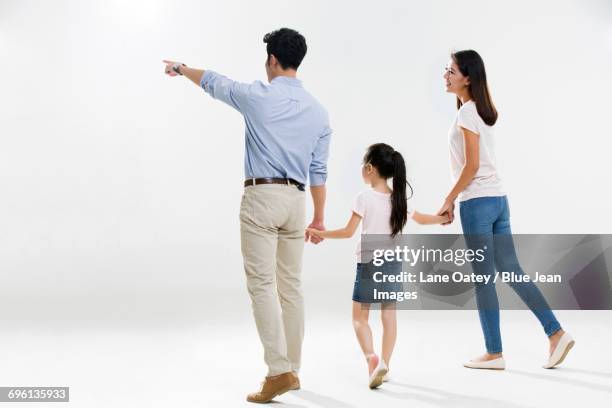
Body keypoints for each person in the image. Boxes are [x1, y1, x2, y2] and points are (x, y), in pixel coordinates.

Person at [164, 28, 332, 403]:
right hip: (297, 200)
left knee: (262, 287)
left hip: (262, 195)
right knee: (292, 288)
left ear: (272, 59)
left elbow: (214, 83)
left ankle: (278, 371)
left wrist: (180, 67)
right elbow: (319, 172)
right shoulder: (319, 112)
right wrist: (319, 219)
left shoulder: (258, 96)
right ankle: (293, 369)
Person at [437, 49, 574, 370]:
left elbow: (470, 167)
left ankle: (494, 353)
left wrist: (448, 199)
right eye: (446, 70)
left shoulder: (466, 115)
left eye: (451, 71)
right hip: (499, 201)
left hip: (477, 204)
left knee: (484, 280)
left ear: (468, 78)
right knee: (512, 271)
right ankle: (556, 333)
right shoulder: (479, 113)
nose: (445, 75)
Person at [307, 143, 448, 388]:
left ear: (370, 168)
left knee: (360, 318)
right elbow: (424, 220)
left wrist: (319, 232)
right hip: (393, 262)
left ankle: (371, 359)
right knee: (389, 316)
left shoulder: (364, 198)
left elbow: (347, 232)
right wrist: (443, 218)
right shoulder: (399, 199)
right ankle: (386, 363)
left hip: (369, 263)